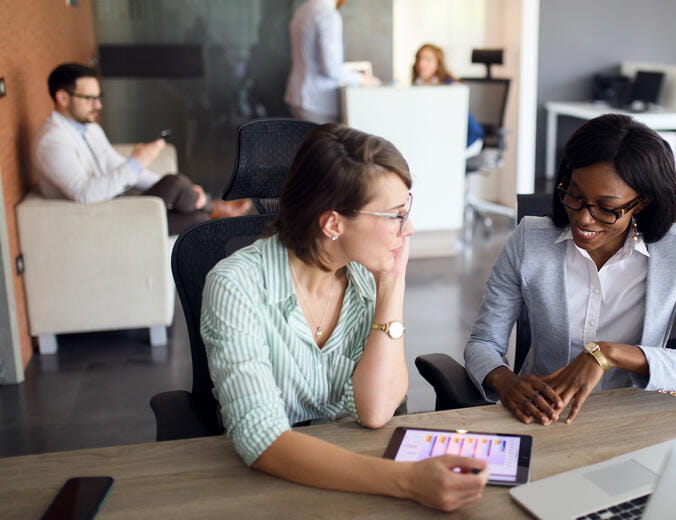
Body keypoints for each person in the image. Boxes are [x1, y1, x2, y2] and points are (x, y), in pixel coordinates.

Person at [200, 124, 488, 511]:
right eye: (396, 216)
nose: (410, 229)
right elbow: (262, 439)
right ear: (333, 223)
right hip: (267, 486)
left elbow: (375, 411)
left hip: (356, 472)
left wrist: (392, 285)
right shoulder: (236, 287)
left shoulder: (364, 280)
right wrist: (406, 481)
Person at [464, 114, 676, 426]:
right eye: (575, 195)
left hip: (636, 421)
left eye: (607, 209)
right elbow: (483, 343)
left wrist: (607, 353)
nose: (583, 219)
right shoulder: (529, 240)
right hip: (544, 417)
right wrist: (505, 381)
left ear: (642, 203)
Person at [33, 63, 249, 235]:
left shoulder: (89, 129)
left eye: (99, 98)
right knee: (187, 202)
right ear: (62, 98)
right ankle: (213, 208)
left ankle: (209, 207)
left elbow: (115, 165)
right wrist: (136, 163)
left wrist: (187, 189)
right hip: (100, 219)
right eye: (89, 99)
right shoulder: (52, 141)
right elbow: (84, 194)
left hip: (116, 204)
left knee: (186, 199)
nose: (98, 106)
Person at [284, 0, 380, 123]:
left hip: (299, 95)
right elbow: (331, 68)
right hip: (317, 101)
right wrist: (361, 79)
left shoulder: (304, 9)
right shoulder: (327, 14)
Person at [411, 43, 483, 152]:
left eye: (428, 59)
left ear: (438, 63)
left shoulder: (450, 88)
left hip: (468, 141)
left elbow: (469, 127)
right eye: (419, 59)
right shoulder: (419, 86)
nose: (422, 64)